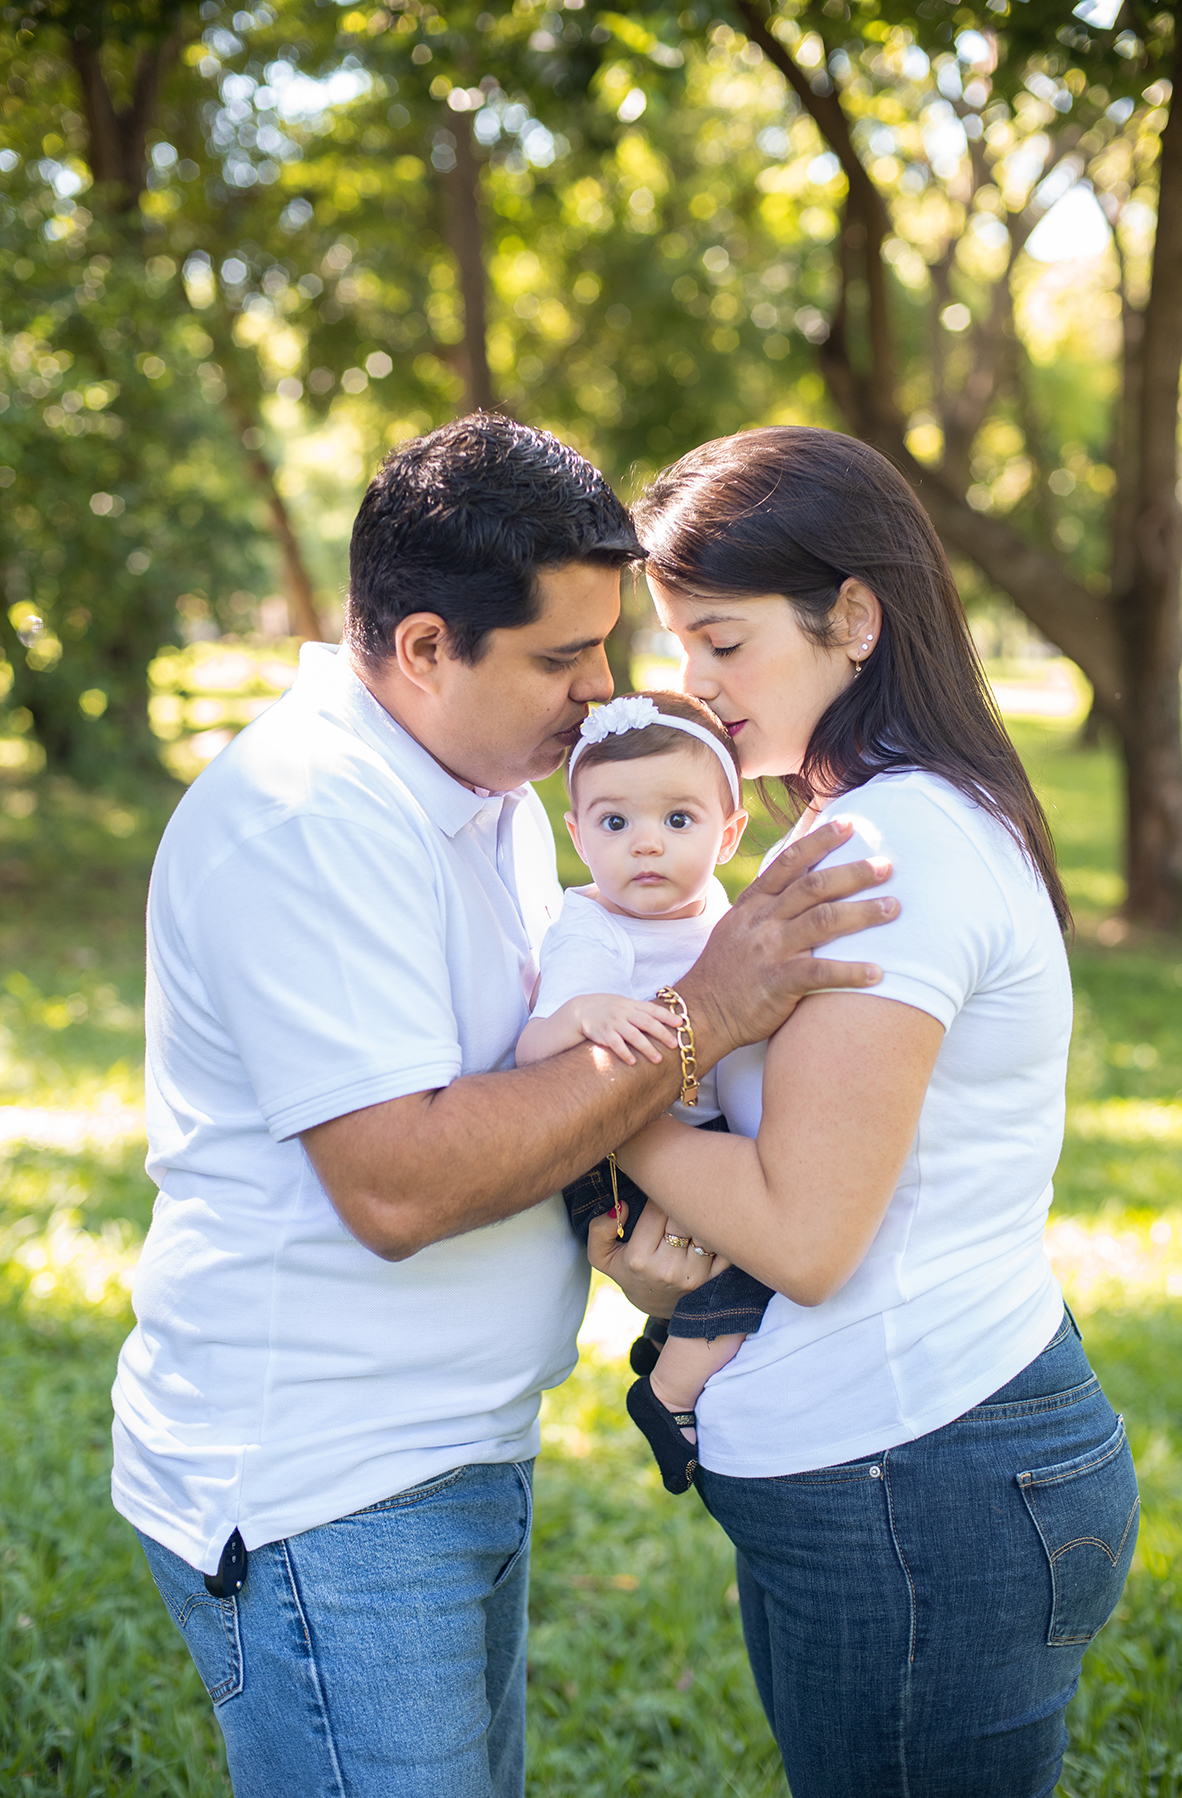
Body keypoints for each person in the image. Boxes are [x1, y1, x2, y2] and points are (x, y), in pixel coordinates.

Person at [111, 412, 898, 1798]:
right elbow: (400, 1182)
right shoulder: (308, 814)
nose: (601, 694)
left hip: (458, 1443)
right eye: (560, 656)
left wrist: (626, 1235)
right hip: (329, 1484)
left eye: (603, 649)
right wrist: (705, 1012)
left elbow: (533, 1088)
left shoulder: (482, 795)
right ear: (424, 647)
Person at [591, 425, 1140, 1798]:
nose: (694, 685)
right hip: (907, 1475)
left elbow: (807, 1230)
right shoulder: (898, 813)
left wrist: (601, 1104)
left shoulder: (888, 845)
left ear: (853, 615)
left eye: (722, 642)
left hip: (920, 1488)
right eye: (680, 645)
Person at [516, 689, 776, 1494]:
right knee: (762, 1264)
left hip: (693, 1137)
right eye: (615, 823)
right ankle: (669, 1392)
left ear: (729, 833)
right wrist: (583, 1014)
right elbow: (533, 1048)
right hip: (614, 1162)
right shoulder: (596, 928)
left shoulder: (718, 915)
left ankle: (673, 1340)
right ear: (577, 834)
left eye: (678, 820)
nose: (646, 848)